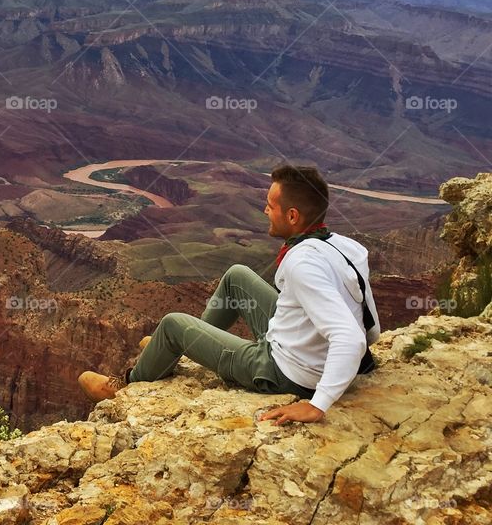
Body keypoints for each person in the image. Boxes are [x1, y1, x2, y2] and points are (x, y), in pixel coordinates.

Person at [78, 164, 380, 424]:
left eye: (270, 206)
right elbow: (369, 326)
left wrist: (318, 403)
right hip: (310, 353)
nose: (265, 211)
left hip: (285, 373)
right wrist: (354, 361)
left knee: (172, 325)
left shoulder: (302, 263)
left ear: (292, 216)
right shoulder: (346, 246)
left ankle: (128, 387)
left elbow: (348, 336)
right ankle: (188, 349)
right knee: (237, 276)